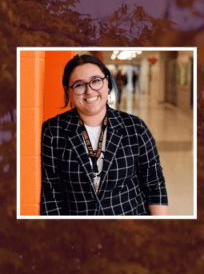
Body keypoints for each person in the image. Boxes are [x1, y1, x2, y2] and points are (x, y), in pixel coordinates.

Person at [40, 54, 168, 215]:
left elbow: (154, 183)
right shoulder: (54, 131)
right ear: (68, 91)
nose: (89, 91)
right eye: (79, 85)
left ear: (107, 83)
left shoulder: (135, 128)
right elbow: (51, 193)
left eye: (96, 81)